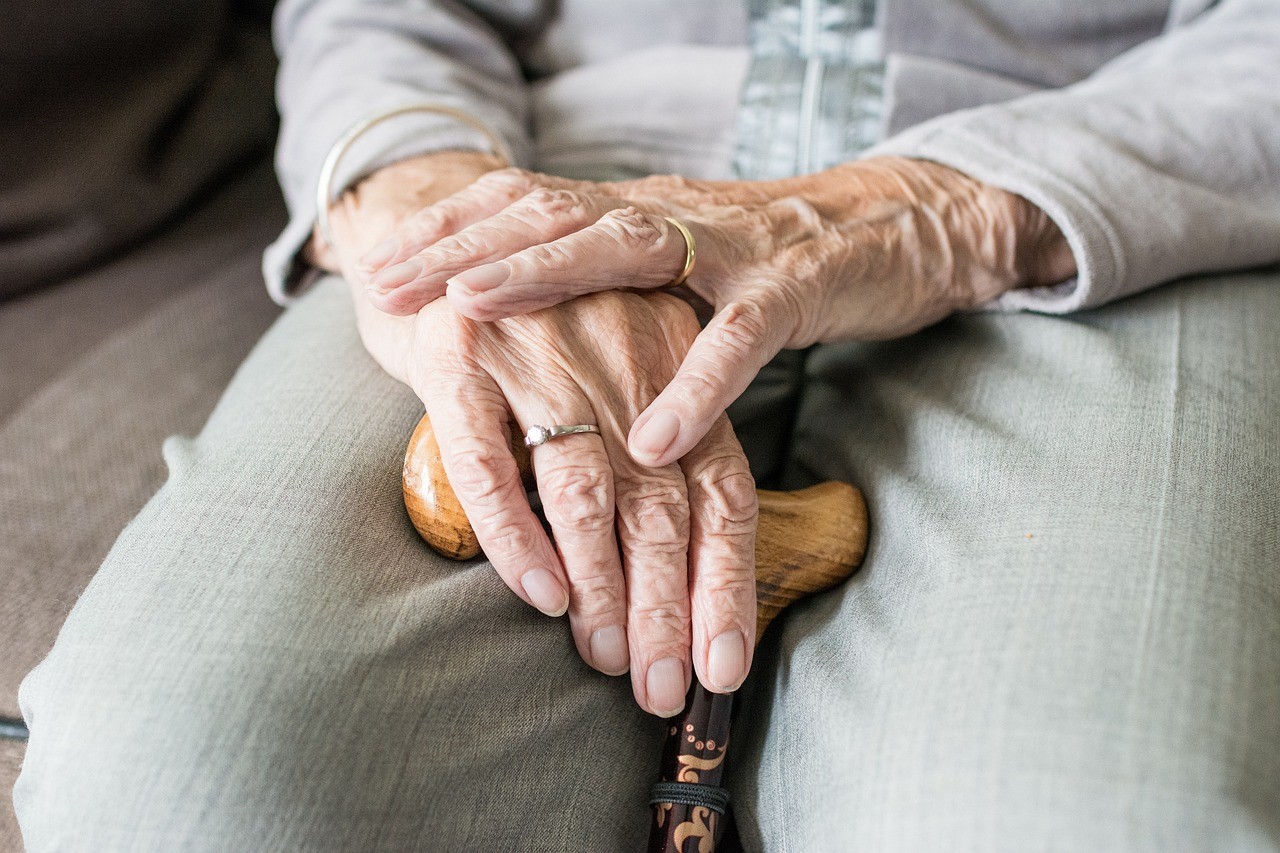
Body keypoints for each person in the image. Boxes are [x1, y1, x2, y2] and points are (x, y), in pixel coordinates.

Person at [13, 0, 1280, 850]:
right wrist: (440, 208)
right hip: (544, 178)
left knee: (1105, 813)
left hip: (1095, 191)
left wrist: (928, 209)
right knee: (185, 779)